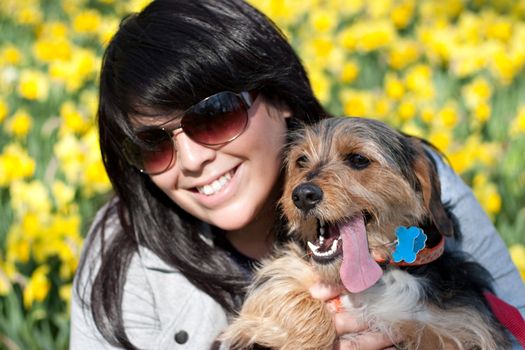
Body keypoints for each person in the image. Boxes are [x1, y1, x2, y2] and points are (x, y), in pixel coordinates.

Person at [69, 0, 525, 349]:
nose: (190, 160)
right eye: (152, 143)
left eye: (215, 116)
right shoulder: (121, 259)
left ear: (280, 96)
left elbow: (513, 326)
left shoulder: (416, 172)